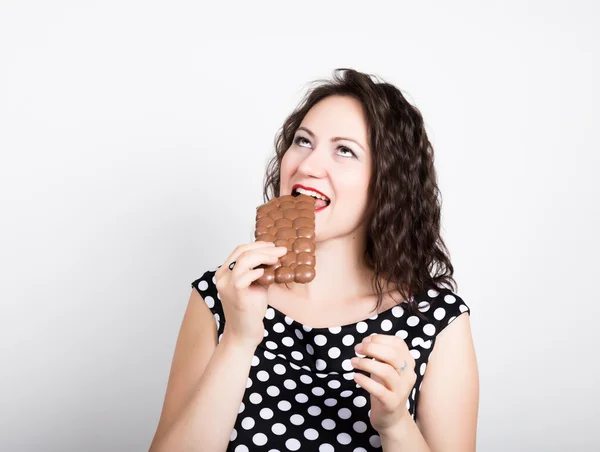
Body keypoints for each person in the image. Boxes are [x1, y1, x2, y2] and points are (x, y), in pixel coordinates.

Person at [149, 68, 479, 452]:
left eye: (345, 150)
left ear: (387, 183)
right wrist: (238, 340)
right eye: (303, 141)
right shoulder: (221, 293)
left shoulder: (437, 320)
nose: (307, 166)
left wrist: (395, 424)